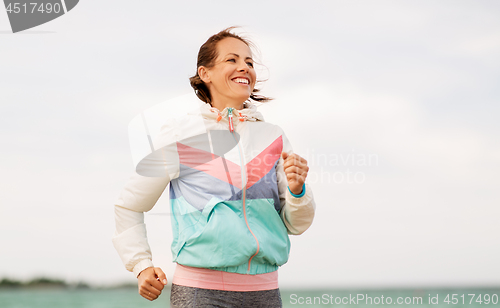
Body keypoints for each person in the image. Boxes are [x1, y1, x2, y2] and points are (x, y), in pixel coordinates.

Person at [112, 27, 316, 307]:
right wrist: (140, 264)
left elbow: (297, 224)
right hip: (200, 293)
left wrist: (297, 190)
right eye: (232, 60)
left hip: (265, 292)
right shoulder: (180, 133)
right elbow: (129, 205)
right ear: (205, 73)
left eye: (249, 62)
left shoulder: (274, 136)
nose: (244, 67)